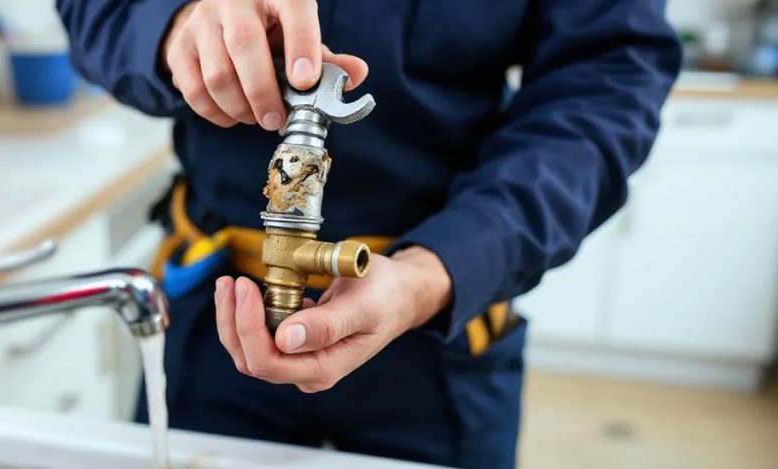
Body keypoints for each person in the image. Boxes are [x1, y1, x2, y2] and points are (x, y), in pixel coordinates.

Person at [57, 1, 681, 467]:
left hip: (442, 323)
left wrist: (439, 269)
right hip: (216, 319)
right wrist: (174, 23)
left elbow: (606, 81)